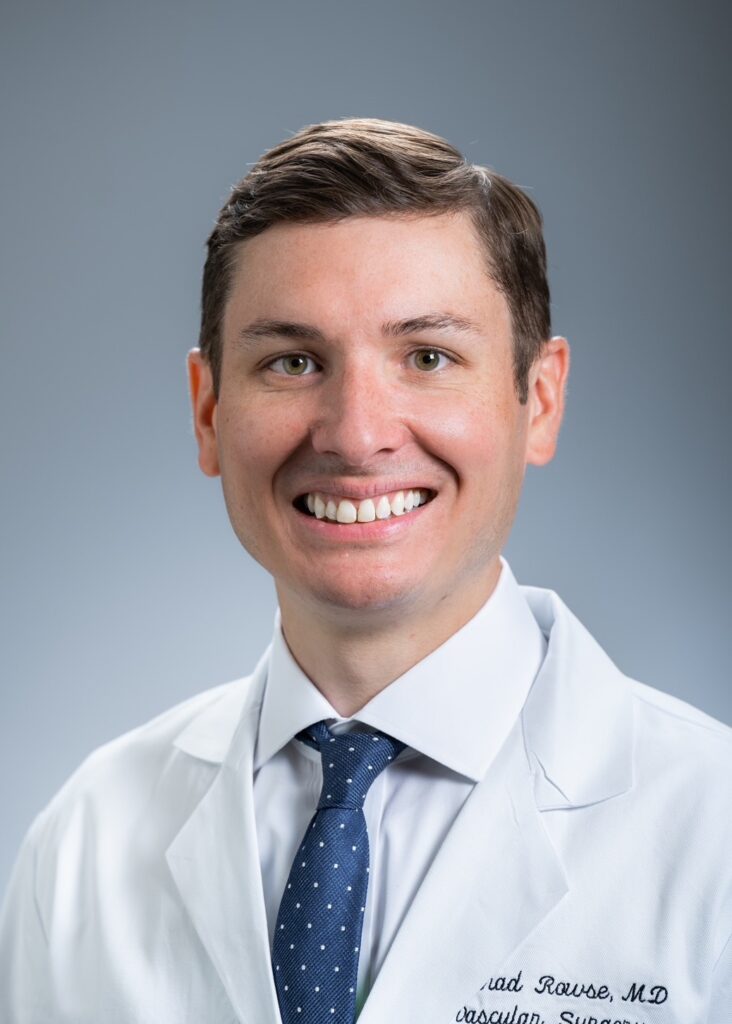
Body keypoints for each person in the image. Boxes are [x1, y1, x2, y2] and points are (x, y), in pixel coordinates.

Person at [0, 118, 729, 1024]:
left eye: (428, 357)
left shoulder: (714, 834)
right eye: (293, 362)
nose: (355, 434)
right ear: (208, 412)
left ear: (539, 400)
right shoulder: (84, 844)